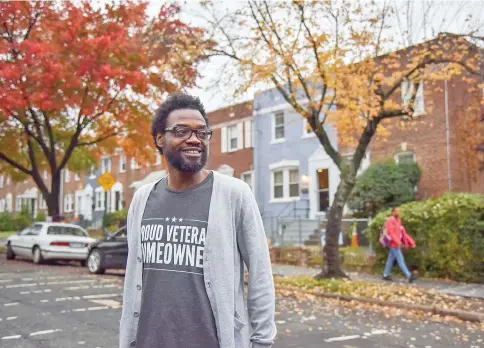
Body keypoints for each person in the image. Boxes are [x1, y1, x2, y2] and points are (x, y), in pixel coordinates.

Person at [119, 93, 276, 348]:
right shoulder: (142, 199)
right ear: (160, 138)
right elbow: (135, 279)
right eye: (181, 131)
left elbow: (260, 274)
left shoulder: (234, 194)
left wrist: (262, 342)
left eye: (202, 133)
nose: (194, 139)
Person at [382, 207, 417, 283]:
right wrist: (398, 242)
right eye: (397, 211)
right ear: (393, 212)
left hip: (396, 244)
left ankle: (385, 275)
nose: (398, 212)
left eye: (399, 211)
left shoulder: (398, 221)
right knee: (401, 260)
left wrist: (411, 242)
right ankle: (409, 276)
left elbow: (403, 233)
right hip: (393, 244)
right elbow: (391, 233)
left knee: (390, 260)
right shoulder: (390, 220)